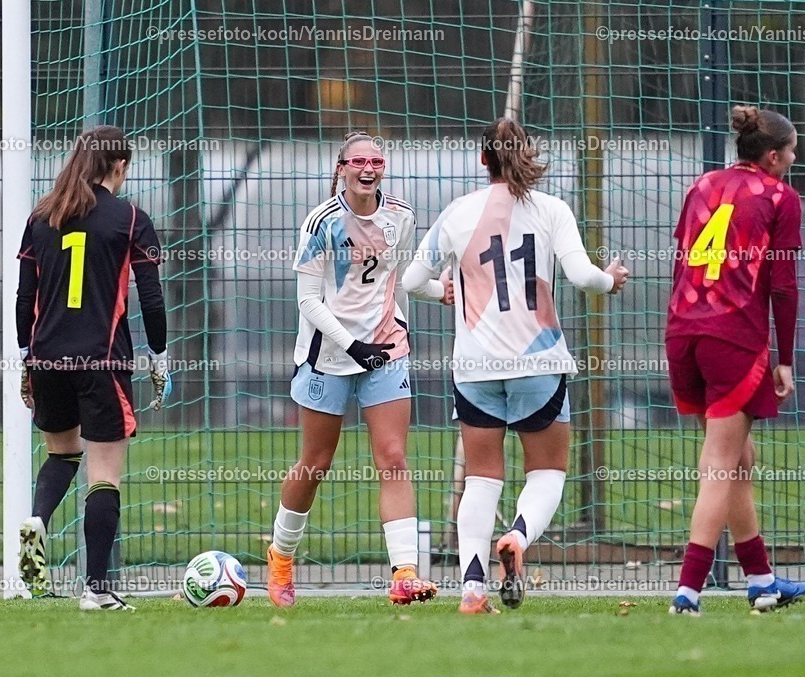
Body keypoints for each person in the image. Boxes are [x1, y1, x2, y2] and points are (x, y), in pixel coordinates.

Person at [402, 117, 629, 613]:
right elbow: (583, 277)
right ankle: (519, 538)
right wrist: (611, 279)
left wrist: (445, 289)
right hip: (538, 361)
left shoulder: (458, 213)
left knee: (481, 479)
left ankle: (471, 590)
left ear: (483, 160)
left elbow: (412, 279)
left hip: (475, 367)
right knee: (547, 472)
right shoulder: (551, 209)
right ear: (527, 154)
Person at [266, 131, 448, 607]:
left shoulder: (401, 216)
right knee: (316, 463)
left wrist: (439, 291)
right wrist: (353, 345)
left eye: (376, 160)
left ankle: (405, 574)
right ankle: (281, 560)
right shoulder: (321, 222)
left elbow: (401, 278)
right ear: (342, 169)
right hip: (328, 355)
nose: (368, 168)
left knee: (393, 457)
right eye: (358, 161)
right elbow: (307, 300)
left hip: (387, 350)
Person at [15, 125, 172, 611]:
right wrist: (159, 356)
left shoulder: (42, 217)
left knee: (62, 454)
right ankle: (97, 591)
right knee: (104, 473)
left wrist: (27, 359)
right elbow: (150, 296)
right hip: (101, 361)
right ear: (119, 165)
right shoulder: (130, 220)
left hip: (46, 357)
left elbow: (26, 298)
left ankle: (38, 520)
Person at [666, 105, 805, 615]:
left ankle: (762, 581)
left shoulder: (702, 185)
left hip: (684, 330)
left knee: (739, 458)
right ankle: (687, 592)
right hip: (733, 339)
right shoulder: (780, 197)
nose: (795, 159)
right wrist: (785, 359)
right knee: (721, 463)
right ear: (772, 157)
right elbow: (784, 286)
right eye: (792, 151)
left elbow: (680, 258)